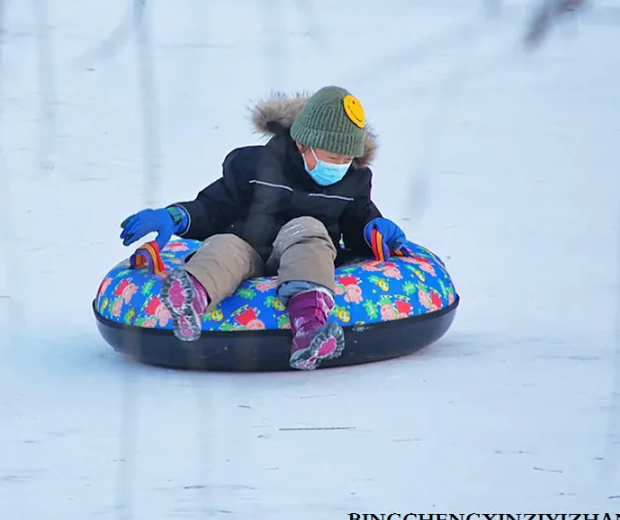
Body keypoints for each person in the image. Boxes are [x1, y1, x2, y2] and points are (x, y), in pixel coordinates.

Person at [119, 86, 408, 370]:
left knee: (308, 229)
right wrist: (176, 216)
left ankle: (309, 326)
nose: (340, 166)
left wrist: (373, 229)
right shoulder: (254, 166)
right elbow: (214, 206)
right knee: (224, 246)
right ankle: (191, 297)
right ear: (302, 143)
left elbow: (358, 220)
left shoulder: (353, 181)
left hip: (304, 254)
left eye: (347, 160)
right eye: (333, 158)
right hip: (248, 248)